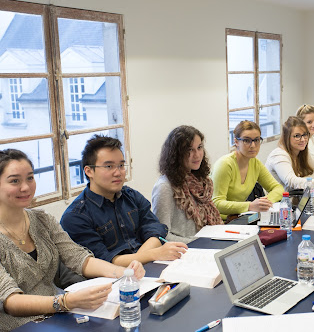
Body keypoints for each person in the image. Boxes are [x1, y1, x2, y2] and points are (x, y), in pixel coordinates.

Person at [0, 149, 145, 331]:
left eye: (30, 178)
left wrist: (123, 272)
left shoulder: (42, 220)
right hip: (19, 325)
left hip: (58, 316)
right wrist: (64, 302)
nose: (26, 187)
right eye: (14, 181)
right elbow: (10, 301)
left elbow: (78, 258)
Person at [61, 135, 188, 266]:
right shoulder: (75, 216)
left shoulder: (131, 196)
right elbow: (102, 262)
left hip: (148, 266)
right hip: (114, 279)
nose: (118, 172)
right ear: (89, 171)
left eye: (121, 165)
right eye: (109, 166)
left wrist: (139, 259)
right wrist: (152, 254)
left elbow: (155, 231)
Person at [152, 126, 223, 243]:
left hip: (207, 243)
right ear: (176, 154)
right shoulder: (165, 187)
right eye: (189, 150)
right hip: (187, 251)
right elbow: (162, 236)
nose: (197, 155)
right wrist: (197, 242)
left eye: (199, 147)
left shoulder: (202, 181)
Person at [211, 121, 284, 220]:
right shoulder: (225, 164)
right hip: (219, 221)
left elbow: (278, 188)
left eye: (257, 140)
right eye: (246, 140)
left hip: (239, 218)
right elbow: (216, 203)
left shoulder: (255, 163)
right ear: (236, 142)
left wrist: (263, 203)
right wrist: (250, 206)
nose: (253, 145)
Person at [266, 116, 314, 190]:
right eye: (297, 136)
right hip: (279, 200)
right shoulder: (279, 155)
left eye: (305, 134)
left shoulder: (301, 151)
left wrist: (305, 181)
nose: (303, 139)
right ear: (287, 137)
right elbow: (291, 182)